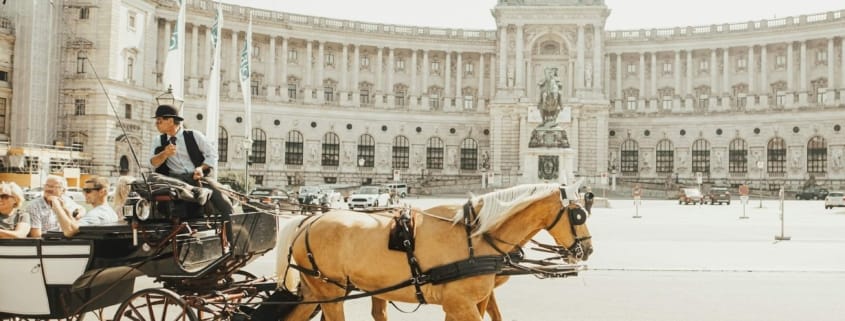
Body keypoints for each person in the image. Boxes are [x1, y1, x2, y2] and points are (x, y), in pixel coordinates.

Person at [149, 104, 233, 216]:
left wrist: (201, 168)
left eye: (159, 121)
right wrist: (165, 154)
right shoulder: (158, 140)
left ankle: (230, 224)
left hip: (198, 178)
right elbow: (152, 163)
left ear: (170, 121)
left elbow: (212, 155)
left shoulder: (194, 135)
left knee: (224, 203)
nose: (156, 124)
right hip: (175, 181)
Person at [54, 176, 119, 238]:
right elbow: (74, 226)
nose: (84, 194)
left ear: (102, 192)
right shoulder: (110, 212)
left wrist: (57, 206)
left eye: (88, 191)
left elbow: (69, 231)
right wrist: (65, 210)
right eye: (83, 190)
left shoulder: (97, 214)